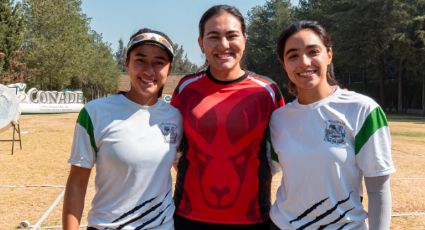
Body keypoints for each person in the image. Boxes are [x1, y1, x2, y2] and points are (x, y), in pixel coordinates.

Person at [269, 20, 395, 230]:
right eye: (293, 55)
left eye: (313, 51)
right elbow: (262, 173)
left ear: (329, 54)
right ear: (284, 64)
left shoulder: (363, 109)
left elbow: (378, 190)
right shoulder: (278, 119)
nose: (304, 62)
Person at [170, 4, 285, 230]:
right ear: (201, 43)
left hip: (253, 220)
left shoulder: (267, 90)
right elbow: (174, 149)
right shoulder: (186, 88)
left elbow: (280, 155)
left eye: (232, 36)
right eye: (213, 37)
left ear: (244, 39)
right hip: (188, 218)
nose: (223, 45)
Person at [62, 28, 182, 230]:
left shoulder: (176, 118)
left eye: (159, 62)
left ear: (169, 68)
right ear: (127, 62)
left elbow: (185, 173)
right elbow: (77, 183)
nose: (149, 71)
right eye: (140, 60)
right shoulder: (94, 113)